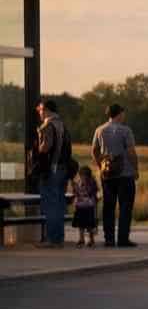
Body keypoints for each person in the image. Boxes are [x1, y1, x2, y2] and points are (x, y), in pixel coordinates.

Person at [92, 103, 139, 248]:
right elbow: (131, 152)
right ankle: (123, 239)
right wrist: (136, 169)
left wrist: (101, 165)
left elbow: (94, 150)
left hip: (107, 174)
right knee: (125, 206)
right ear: (119, 114)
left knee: (108, 206)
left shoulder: (99, 130)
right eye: (123, 113)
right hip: (125, 174)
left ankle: (109, 239)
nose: (124, 116)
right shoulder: (126, 131)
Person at [32, 99, 72, 247]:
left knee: (50, 205)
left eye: (40, 109)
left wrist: (38, 142)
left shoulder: (48, 125)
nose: (39, 111)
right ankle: (58, 238)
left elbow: (45, 148)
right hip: (62, 169)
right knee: (59, 205)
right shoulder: (62, 124)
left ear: (47, 110)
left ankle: (51, 239)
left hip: (51, 170)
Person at [72, 165, 99, 247]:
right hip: (80, 206)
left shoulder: (92, 183)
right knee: (80, 224)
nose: (83, 177)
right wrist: (75, 187)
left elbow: (92, 193)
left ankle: (91, 239)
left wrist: (84, 186)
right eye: (82, 175)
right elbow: (76, 193)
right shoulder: (79, 182)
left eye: (85, 175)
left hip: (89, 206)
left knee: (89, 224)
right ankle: (81, 238)